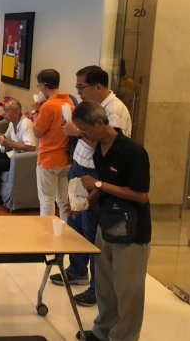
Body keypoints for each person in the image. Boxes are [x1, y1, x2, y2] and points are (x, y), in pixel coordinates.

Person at [50, 66, 132, 308]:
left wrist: (76, 132)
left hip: (95, 174)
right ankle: (77, 270)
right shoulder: (93, 106)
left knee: (93, 232)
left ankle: (98, 288)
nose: (79, 92)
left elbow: (109, 146)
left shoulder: (114, 109)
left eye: (81, 87)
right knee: (75, 224)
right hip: (80, 168)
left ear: (98, 86)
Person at [71, 101, 150, 341]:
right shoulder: (99, 150)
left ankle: (124, 336)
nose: (83, 135)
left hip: (132, 229)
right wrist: (86, 202)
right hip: (106, 222)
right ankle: (102, 331)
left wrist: (98, 184)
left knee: (128, 289)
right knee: (104, 284)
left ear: (99, 123)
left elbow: (141, 195)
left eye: (85, 130)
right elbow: (105, 186)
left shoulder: (132, 151)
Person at [30, 68, 74, 219]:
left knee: (46, 200)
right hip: (66, 158)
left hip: (48, 159)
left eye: (39, 86)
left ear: (43, 86)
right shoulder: (69, 102)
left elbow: (37, 132)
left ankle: (47, 230)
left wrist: (35, 111)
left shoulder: (48, 106)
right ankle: (65, 228)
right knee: (63, 201)